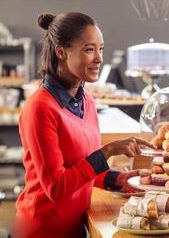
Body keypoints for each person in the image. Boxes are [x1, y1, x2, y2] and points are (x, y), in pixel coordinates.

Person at [15, 12, 153, 238]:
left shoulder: (87, 100)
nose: (99, 58)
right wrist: (107, 151)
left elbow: (80, 168)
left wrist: (117, 179)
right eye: (89, 49)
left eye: (101, 48)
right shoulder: (40, 108)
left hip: (75, 229)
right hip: (42, 230)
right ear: (61, 51)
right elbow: (57, 187)